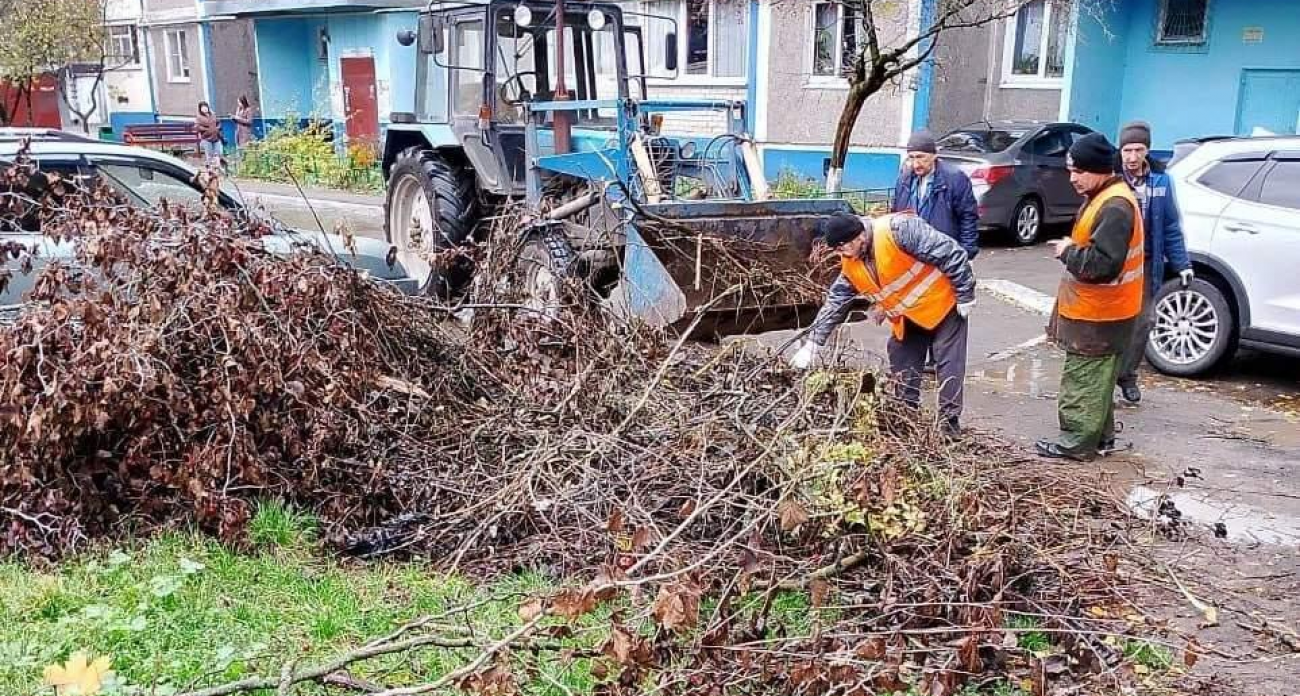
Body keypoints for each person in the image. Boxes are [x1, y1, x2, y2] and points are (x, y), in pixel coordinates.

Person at [789, 211, 977, 437]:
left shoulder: (899, 231)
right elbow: (836, 301)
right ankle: (907, 416)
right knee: (901, 356)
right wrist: (813, 343)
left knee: (948, 363)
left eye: (842, 247)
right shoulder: (851, 260)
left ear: (858, 237)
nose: (840, 254)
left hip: (945, 303)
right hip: (910, 315)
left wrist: (965, 295)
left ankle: (949, 423)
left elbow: (952, 254)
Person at [1036, 132, 1144, 462]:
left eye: (1078, 171)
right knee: (1099, 381)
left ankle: (1076, 443)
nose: (1073, 179)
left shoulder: (1115, 206)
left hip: (1099, 316)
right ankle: (1102, 438)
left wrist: (1069, 251)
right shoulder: (1108, 195)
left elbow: (1101, 265)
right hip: (1108, 313)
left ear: (1098, 169)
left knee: (1083, 381)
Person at [1115, 121, 1192, 404]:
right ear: (1120, 150)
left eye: (1139, 149)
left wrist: (1182, 263)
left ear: (1147, 150)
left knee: (1143, 322)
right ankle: (1105, 378)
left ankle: (1127, 375)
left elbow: (1171, 226)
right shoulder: (1111, 178)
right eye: (1127, 150)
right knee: (1112, 323)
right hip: (1114, 264)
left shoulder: (1161, 181)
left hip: (1145, 265)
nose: (1133, 157)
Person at [891, 130, 981, 259]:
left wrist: (966, 254)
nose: (915, 164)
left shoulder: (955, 179)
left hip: (943, 254)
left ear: (934, 156)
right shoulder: (904, 179)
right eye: (911, 157)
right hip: (910, 254)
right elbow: (895, 214)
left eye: (921, 157)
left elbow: (968, 217)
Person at [195, 102, 223, 168]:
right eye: (203, 107)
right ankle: (210, 170)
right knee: (210, 155)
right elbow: (197, 127)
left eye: (206, 107)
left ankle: (218, 168)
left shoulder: (213, 114)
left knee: (218, 153)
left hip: (216, 137)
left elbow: (219, 123)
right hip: (207, 138)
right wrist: (206, 130)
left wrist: (217, 128)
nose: (205, 109)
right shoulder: (199, 117)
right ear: (200, 109)